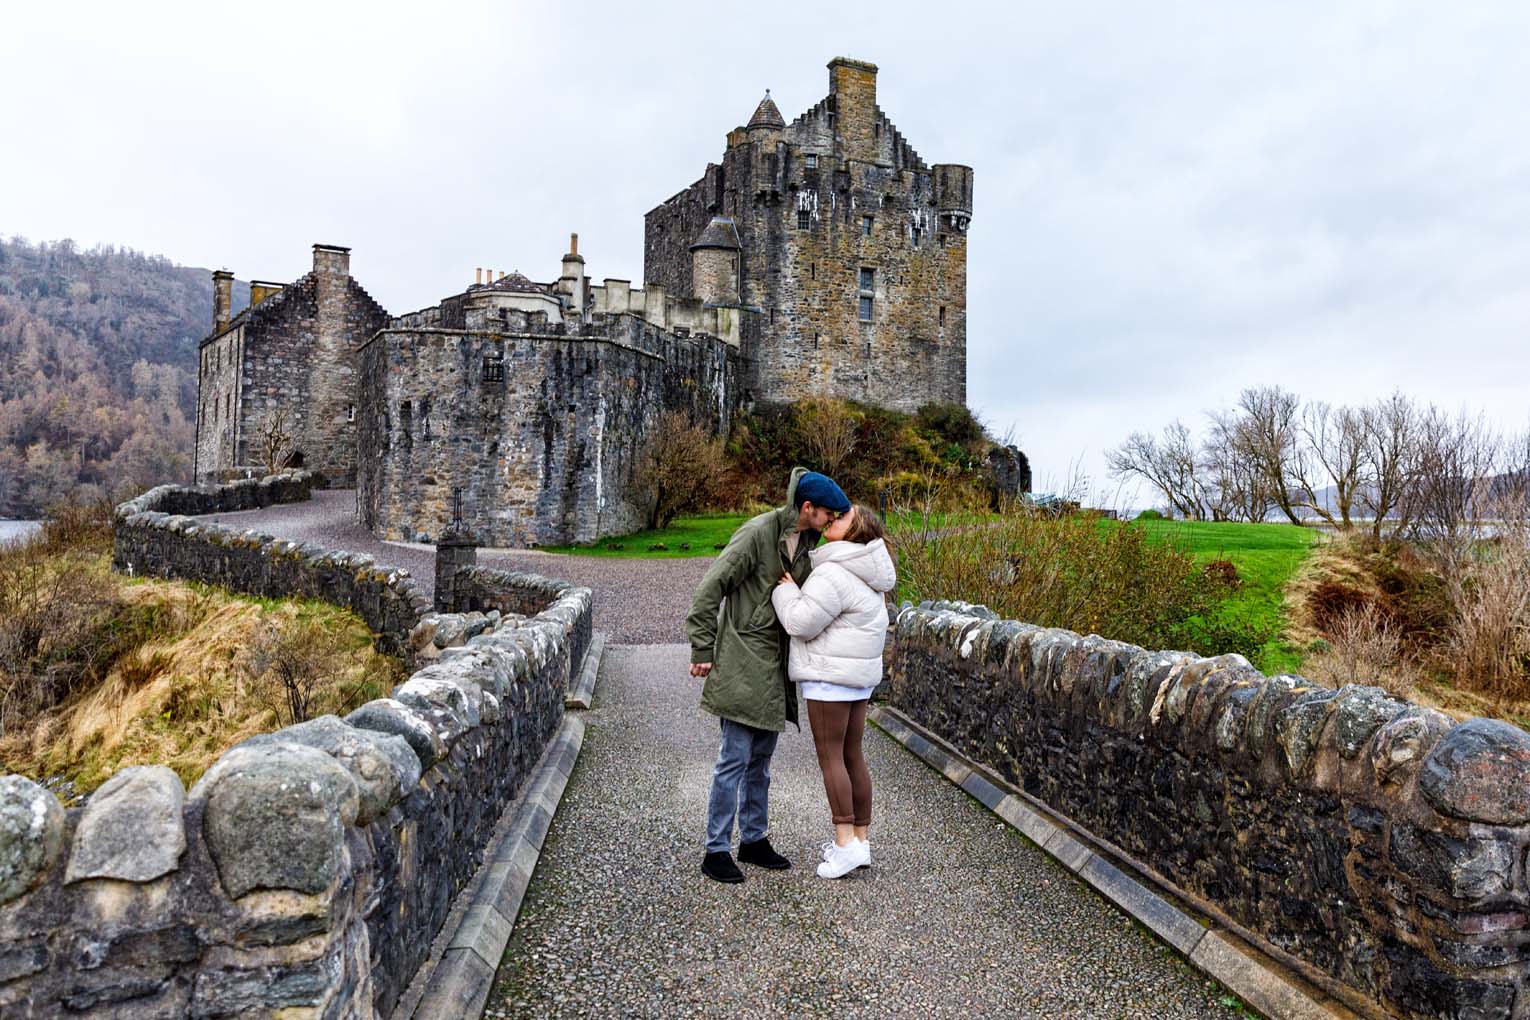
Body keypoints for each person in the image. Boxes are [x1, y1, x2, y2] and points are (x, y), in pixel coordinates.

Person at [686, 467, 852, 884]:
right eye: (827, 515)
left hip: (777, 665)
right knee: (734, 759)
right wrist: (703, 648)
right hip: (743, 659)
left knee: (760, 762)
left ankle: (754, 840)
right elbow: (711, 587)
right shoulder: (757, 533)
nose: (831, 522)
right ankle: (716, 849)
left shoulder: (810, 542)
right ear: (807, 507)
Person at [770, 504, 895, 879]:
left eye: (842, 518)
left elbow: (799, 622)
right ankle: (860, 841)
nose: (832, 518)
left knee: (831, 760)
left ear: (855, 531)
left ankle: (844, 845)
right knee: (853, 755)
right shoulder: (869, 573)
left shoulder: (834, 572)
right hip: (857, 680)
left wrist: (786, 592)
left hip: (829, 679)